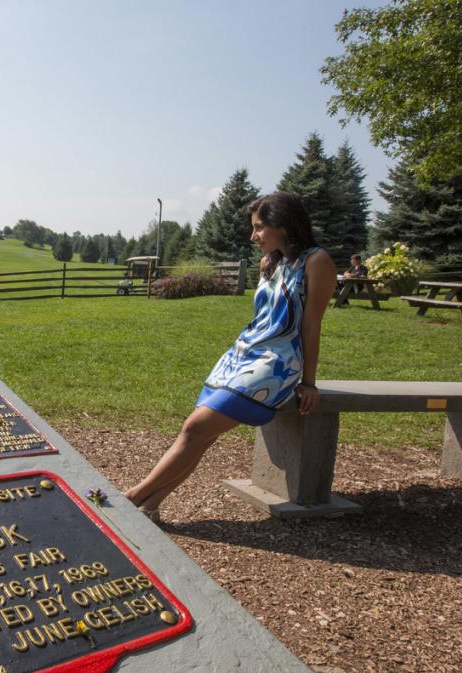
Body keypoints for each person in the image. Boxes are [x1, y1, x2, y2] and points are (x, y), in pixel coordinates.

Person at [124, 191, 335, 522]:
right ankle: (150, 506)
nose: (254, 237)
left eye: (260, 228)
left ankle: (130, 498)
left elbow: (311, 326)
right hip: (241, 356)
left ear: (284, 224)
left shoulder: (316, 261)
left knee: (194, 427)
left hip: (275, 365)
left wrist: (309, 382)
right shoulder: (272, 262)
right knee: (202, 436)